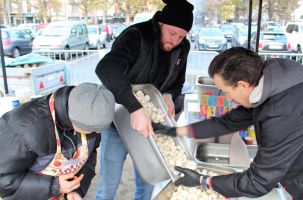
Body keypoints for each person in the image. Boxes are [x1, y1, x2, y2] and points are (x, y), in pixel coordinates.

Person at [154, 47, 303, 199]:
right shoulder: (269, 83)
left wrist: (202, 180)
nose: (228, 99)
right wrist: (176, 131)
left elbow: (256, 182)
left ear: (243, 85)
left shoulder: (280, 115)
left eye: (226, 92)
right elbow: (227, 123)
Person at [94, 0, 194, 199]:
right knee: (108, 186)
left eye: (181, 36)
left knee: (148, 184)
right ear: (161, 24)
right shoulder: (136, 36)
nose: (175, 41)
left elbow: (178, 81)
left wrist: (169, 96)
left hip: (152, 129)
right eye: (172, 33)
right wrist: (134, 107)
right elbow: (105, 69)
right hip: (118, 123)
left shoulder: (183, 47)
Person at [0, 83, 115, 200]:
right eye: (92, 128)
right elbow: (4, 181)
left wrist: (76, 190)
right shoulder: (22, 129)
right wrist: (55, 186)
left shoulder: (93, 123)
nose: (97, 132)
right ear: (74, 119)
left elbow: (89, 157)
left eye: (100, 129)